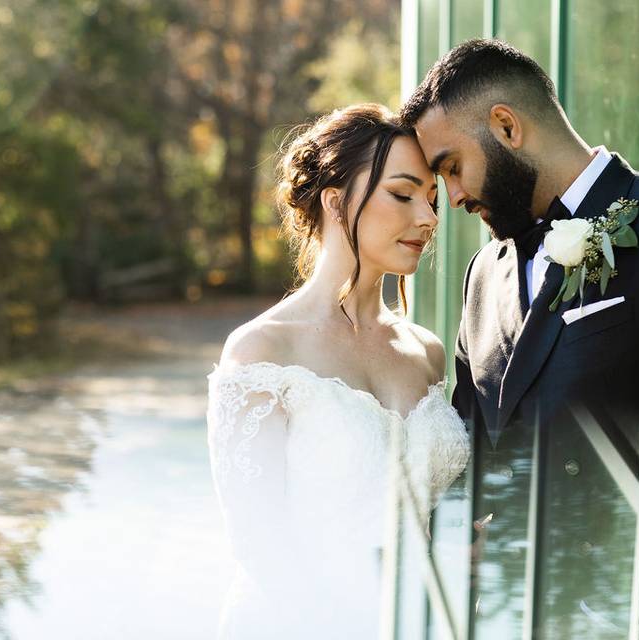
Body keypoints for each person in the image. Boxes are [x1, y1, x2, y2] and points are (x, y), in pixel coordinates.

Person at [400, 39, 639, 635]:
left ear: (506, 126)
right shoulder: (483, 277)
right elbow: (470, 450)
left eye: (452, 167)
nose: (451, 197)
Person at [204, 103, 471, 639]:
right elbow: (259, 544)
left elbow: (436, 513)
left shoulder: (427, 352)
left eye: (432, 199)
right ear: (335, 200)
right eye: (403, 194)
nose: (428, 218)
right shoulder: (262, 350)